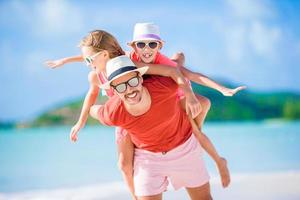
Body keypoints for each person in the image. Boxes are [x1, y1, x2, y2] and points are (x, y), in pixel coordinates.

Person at [47, 30, 201, 200]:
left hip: (145, 108)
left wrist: (188, 93)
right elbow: (91, 95)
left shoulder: (129, 63)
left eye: (89, 60)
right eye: (86, 60)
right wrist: (80, 122)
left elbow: (168, 70)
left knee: (192, 118)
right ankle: (136, 197)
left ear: (104, 54)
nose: (87, 63)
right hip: (123, 118)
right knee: (123, 165)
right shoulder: (96, 75)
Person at [90, 55, 214, 200]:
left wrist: (190, 94)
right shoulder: (112, 112)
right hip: (148, 160)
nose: (129, 90)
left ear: (140, 78)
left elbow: (177, 71)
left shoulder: (163, 86)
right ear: (114, 91)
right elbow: (93, 110)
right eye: (121, 86)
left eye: (133, 81)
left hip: (184, 148)